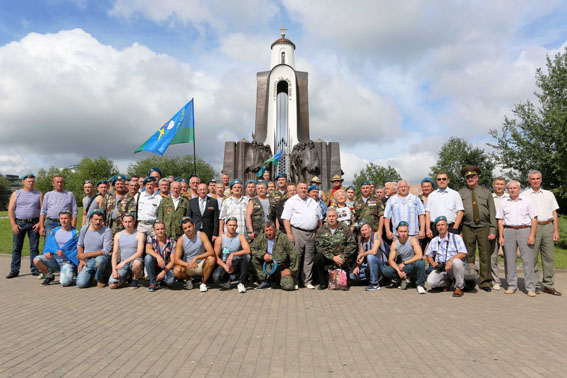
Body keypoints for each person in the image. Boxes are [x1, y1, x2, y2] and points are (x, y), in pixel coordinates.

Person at [521, 170, 561, 296]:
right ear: (529, 181)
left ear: (541, 180)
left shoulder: (549, 194)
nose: (535, 181)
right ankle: (535, 285)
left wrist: (555, 230)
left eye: (538, 178)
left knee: (549, 258)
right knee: (532, 258)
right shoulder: (524, 195)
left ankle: (548, 285)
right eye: (533, 179)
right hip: (533, 228)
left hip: (548, 226)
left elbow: (554, 213)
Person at [459, 165, 497, 292]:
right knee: (468, 256)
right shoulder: (460, 193)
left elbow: (492, 212)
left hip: (484, 227)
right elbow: (458, 212)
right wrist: (459, 231)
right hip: (467, 227)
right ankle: (469, 280)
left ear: (477, 177)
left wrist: (493, 230)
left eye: (473, 176)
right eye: (468, 177)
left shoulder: (486, 192)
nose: (470, 179)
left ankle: (485, 281)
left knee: (485, 255)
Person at [497, 181, 538, 297]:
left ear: (520, 189)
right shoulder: (504, 202)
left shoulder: (527, 201)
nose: (512, 190)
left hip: (524, 230)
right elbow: (500, 220)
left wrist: (532, 235)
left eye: (515, 188)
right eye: (510, 188)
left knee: (528, 260)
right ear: (507, 189)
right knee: (510, 260)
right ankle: (512, 286)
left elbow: (534, 219)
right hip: (508, 230)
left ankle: (530, 287)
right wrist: (501, 236)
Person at [282, 182, 322, 289]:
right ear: (297, 189)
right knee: (296, 257)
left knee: (309, 258)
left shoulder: (312, 201)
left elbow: (319, 219)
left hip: (312, 233)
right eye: (301, 188)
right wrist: (289, 234)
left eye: (305, 188)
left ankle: (307, 281)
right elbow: (286, 218)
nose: (303, 190)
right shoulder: (291, 201)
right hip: (297, 232)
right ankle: (295, 281)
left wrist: (318, 232)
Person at [7, 174, 42, 278]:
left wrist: (40, 223)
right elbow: (11, 209)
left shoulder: (38, 194)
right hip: (19, 223)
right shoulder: (16, 193)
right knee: (17, 248)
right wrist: (13, 224)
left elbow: (43, 210)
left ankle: (35, 269)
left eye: (32, 181)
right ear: (23, 182)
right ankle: (14, 270)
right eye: (29, 181)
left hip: (34, 224)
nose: (31, 183)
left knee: (34, 248)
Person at [313, 208, 356, 290]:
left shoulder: (345, 228)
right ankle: (323, 282)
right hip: (328, 256)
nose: (331, 218)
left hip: (342, 257)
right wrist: (333, 257)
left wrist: (343, 256)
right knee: (317, 258)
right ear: (327, 218)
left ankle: (344, 280)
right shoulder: (321, 229)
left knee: (344, 284)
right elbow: (319, 246)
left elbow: (352, 244)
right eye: (329, 216)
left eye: (333, 216)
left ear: (337, 217)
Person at [425, 216, 468, 297]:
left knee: (457, 262)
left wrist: (450, 260)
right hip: (442, 269)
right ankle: (447, 283)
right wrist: (433, 263)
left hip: (454, 267)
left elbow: (463, 253)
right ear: (436, 228)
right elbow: (429, 255)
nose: (441, 227)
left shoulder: (456, 238)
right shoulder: (434, 240)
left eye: (443, 225)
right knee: (431, 282)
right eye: (438, 225)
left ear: (447, 226)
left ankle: (459, 287)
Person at [33, 210, 78, 286]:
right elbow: (49, 245)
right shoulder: (54, 231)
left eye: (66, 218)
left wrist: (66, 253)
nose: (63, 221)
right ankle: (49, 275)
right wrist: (48, 252)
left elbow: (77, 250)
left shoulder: (75, 233)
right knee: (36, 260)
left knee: (64, 283)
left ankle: (71, 271)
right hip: (55, 259)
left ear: (70, 219)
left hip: (67, 262)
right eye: (61, 218)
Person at [382, 222, 427, 294]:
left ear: (408, 232)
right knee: (385, 270)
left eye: (405, 231)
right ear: (397, 232)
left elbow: (419, 255)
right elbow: (390, 260)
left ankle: (420, 285)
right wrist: (398, 270)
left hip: (412, 265)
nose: (403, 234)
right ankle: (403, 278)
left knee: (421, 263)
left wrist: (404, 263)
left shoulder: (412, 240)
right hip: (403, 267)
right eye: (401, 231)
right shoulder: (395, 243)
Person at [252, 221, 298, 290]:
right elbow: (252, 248)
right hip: (268, 266)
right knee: (254, 259)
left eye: (270, 230)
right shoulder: (261, 237)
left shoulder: (283, 237)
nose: (269, 233)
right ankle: (265, 281)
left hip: (281, 268)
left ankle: (280, 281)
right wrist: (263, 254)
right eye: (266, 230)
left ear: (275, 229)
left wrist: (290, 270)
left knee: (288, 286)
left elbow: (294, 253)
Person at [173, 217, 216, 292]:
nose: (188, 229)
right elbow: (176, 259)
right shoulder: (181, 239)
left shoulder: (201, 235)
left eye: (189, 226)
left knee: (211, 259)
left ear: (194, 226)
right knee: (177, 270)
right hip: (189, 266)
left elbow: (211, 251)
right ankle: (188, 279)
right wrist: (187, 264)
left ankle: (203, 283)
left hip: (202, 265)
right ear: (183, 230)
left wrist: (196, 258)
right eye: (185, 228)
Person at [212, 217, 251, 293]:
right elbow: (215, 256)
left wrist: (233, 254)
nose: (232, 227)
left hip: (237, 262)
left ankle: (240, 282)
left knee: (247, 256)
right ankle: (227, 280)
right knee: (216, 277)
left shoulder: (241, 236)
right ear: (226, 226)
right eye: (230, 225)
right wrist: (225, 266)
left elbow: (248, 250)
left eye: (234, 225)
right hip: (225, 263)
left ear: (237, 226)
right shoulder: (220, 238)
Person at [76, 209, 112, 288]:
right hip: (87, 260)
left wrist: (87, 255)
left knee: (99, 261)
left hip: (101, 258)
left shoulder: (107, 230)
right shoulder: (84, 229)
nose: (98, 222)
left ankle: (99, 279)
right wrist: (81, 260)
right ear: (90, 219)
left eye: (100, 220)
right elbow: (80, 245)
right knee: (81, 284)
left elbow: (106, 250)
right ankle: (91, 275)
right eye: (95, 219)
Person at [108, 213, 145, 289]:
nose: (128, 224)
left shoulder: (139, 234)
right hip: (123, 265)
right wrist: (114, 270)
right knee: (112, 285)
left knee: (137, 263)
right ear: (122, 222)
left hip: (134, 262)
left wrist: (124, 262)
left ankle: (135, 279)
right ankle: (124, 278)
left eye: (130, 222)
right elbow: (114, 254)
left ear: (134, 221)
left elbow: (139, 253)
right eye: (125, 222)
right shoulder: (118, 235)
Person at [425, 172, 464, 238]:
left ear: (448, 180)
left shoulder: (455, 194)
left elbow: (460, 212)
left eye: (444, 179)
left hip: (451, 227)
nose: (441, 181)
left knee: (451, 248)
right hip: (435, 228)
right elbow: (428, 213)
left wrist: (455, 228)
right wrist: (428, 229)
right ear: (436, 181)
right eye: (439, 179)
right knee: (436, 248)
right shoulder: (431, 195)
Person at [144, 219, 177, 292]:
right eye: (158, 229)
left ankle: (161, 280)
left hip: (166, 267)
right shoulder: (151, 238)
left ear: (165, 229)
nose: (160, 231)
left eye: (162, 229)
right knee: (148, 258)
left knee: (170, 282)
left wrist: (163, 272)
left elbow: (172, 261)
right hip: (155, 266)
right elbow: (148, 250)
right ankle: (152, 282)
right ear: (154, 230)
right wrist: (158, 257)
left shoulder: (172, 242)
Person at [349, 221, 383, 291]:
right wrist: (357, 266)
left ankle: (375, 284)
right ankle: (371, 278)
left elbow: (374, 251)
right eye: (362, 231)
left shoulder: (376, 235)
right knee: (352, 275)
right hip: (369, 266)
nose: (364, 232)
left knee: (370, 257)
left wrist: (362, 254)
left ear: (370, 229)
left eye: (365, 230)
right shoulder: (362, 240)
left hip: (382, 266)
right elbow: (361, 256)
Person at [491, 177, 509, 290]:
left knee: (509, 256)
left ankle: (510, 280)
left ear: (505, 186)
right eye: (497, 184)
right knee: (492, 256)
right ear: (493, 185)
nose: (499, 186)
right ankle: (495, 280)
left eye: (501, 184)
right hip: (493, 228)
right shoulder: (490, 197)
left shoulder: (509, 197)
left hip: (507, 228)